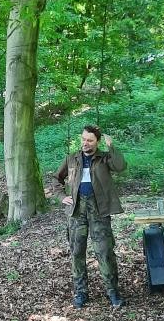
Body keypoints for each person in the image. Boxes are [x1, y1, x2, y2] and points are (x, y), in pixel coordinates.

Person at [54, 125, 126, 309]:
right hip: (76, 212)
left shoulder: (104, 158)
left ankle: (113, 292)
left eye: (90, 140)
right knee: (77, 253)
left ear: (97, 142)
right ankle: (81, 293)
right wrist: (62, 197)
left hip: (99, 210)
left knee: (105, 252)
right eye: (84, 139)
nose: (85, 143)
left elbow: (120, 166)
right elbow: (56, 179)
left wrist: (112, 147)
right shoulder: (72, 159)